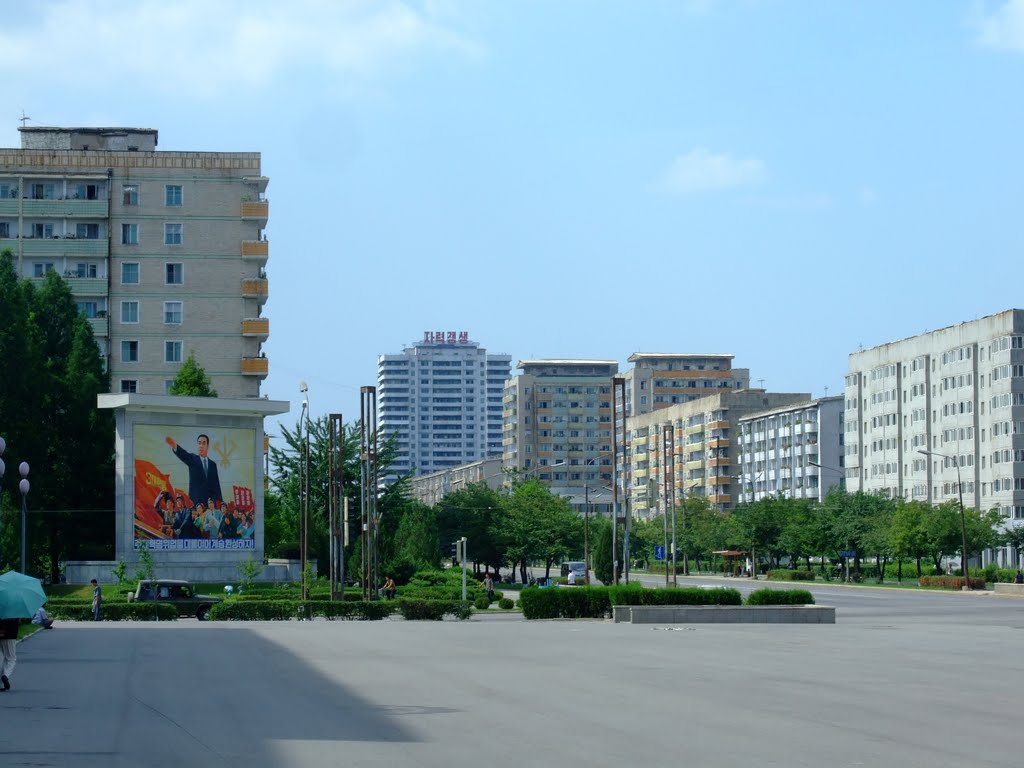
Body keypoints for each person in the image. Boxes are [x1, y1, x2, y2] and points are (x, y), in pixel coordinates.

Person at [165, 433, 223, 505]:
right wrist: (174, 446)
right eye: (199, 443)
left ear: (207, 446)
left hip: (209, 505)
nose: (201, 446)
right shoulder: (193, 459)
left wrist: (219, 501)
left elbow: (216, 485)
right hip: (195, 503)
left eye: (203, 443)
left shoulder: (213, 465)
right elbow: (184, 454)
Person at [0, 616, 20, 691]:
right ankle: (5, 675)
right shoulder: (16, 611)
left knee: (1, 658)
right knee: (11, 658)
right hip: (10, 635)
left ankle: (1, 685)